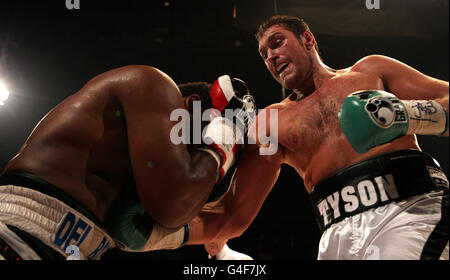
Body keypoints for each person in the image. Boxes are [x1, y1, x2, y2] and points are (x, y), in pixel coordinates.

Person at [186, 15, 449, 260]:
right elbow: (232, 212)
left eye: (277, 43)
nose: (271, 57)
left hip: (409, 210)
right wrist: (159, 232)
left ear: (308, 39)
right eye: (264, 55)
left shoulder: (370, 72)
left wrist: (405, 114)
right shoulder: (269, 122)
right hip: (336, 235)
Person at [0, 65, 253, 260]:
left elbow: (214, 218)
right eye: (197, 146)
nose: (191, 162)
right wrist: (222, 139)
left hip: (62, 248)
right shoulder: (153, 85)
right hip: (17, 232)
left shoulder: (135, 168)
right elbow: (174, 204)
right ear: (192, 105)